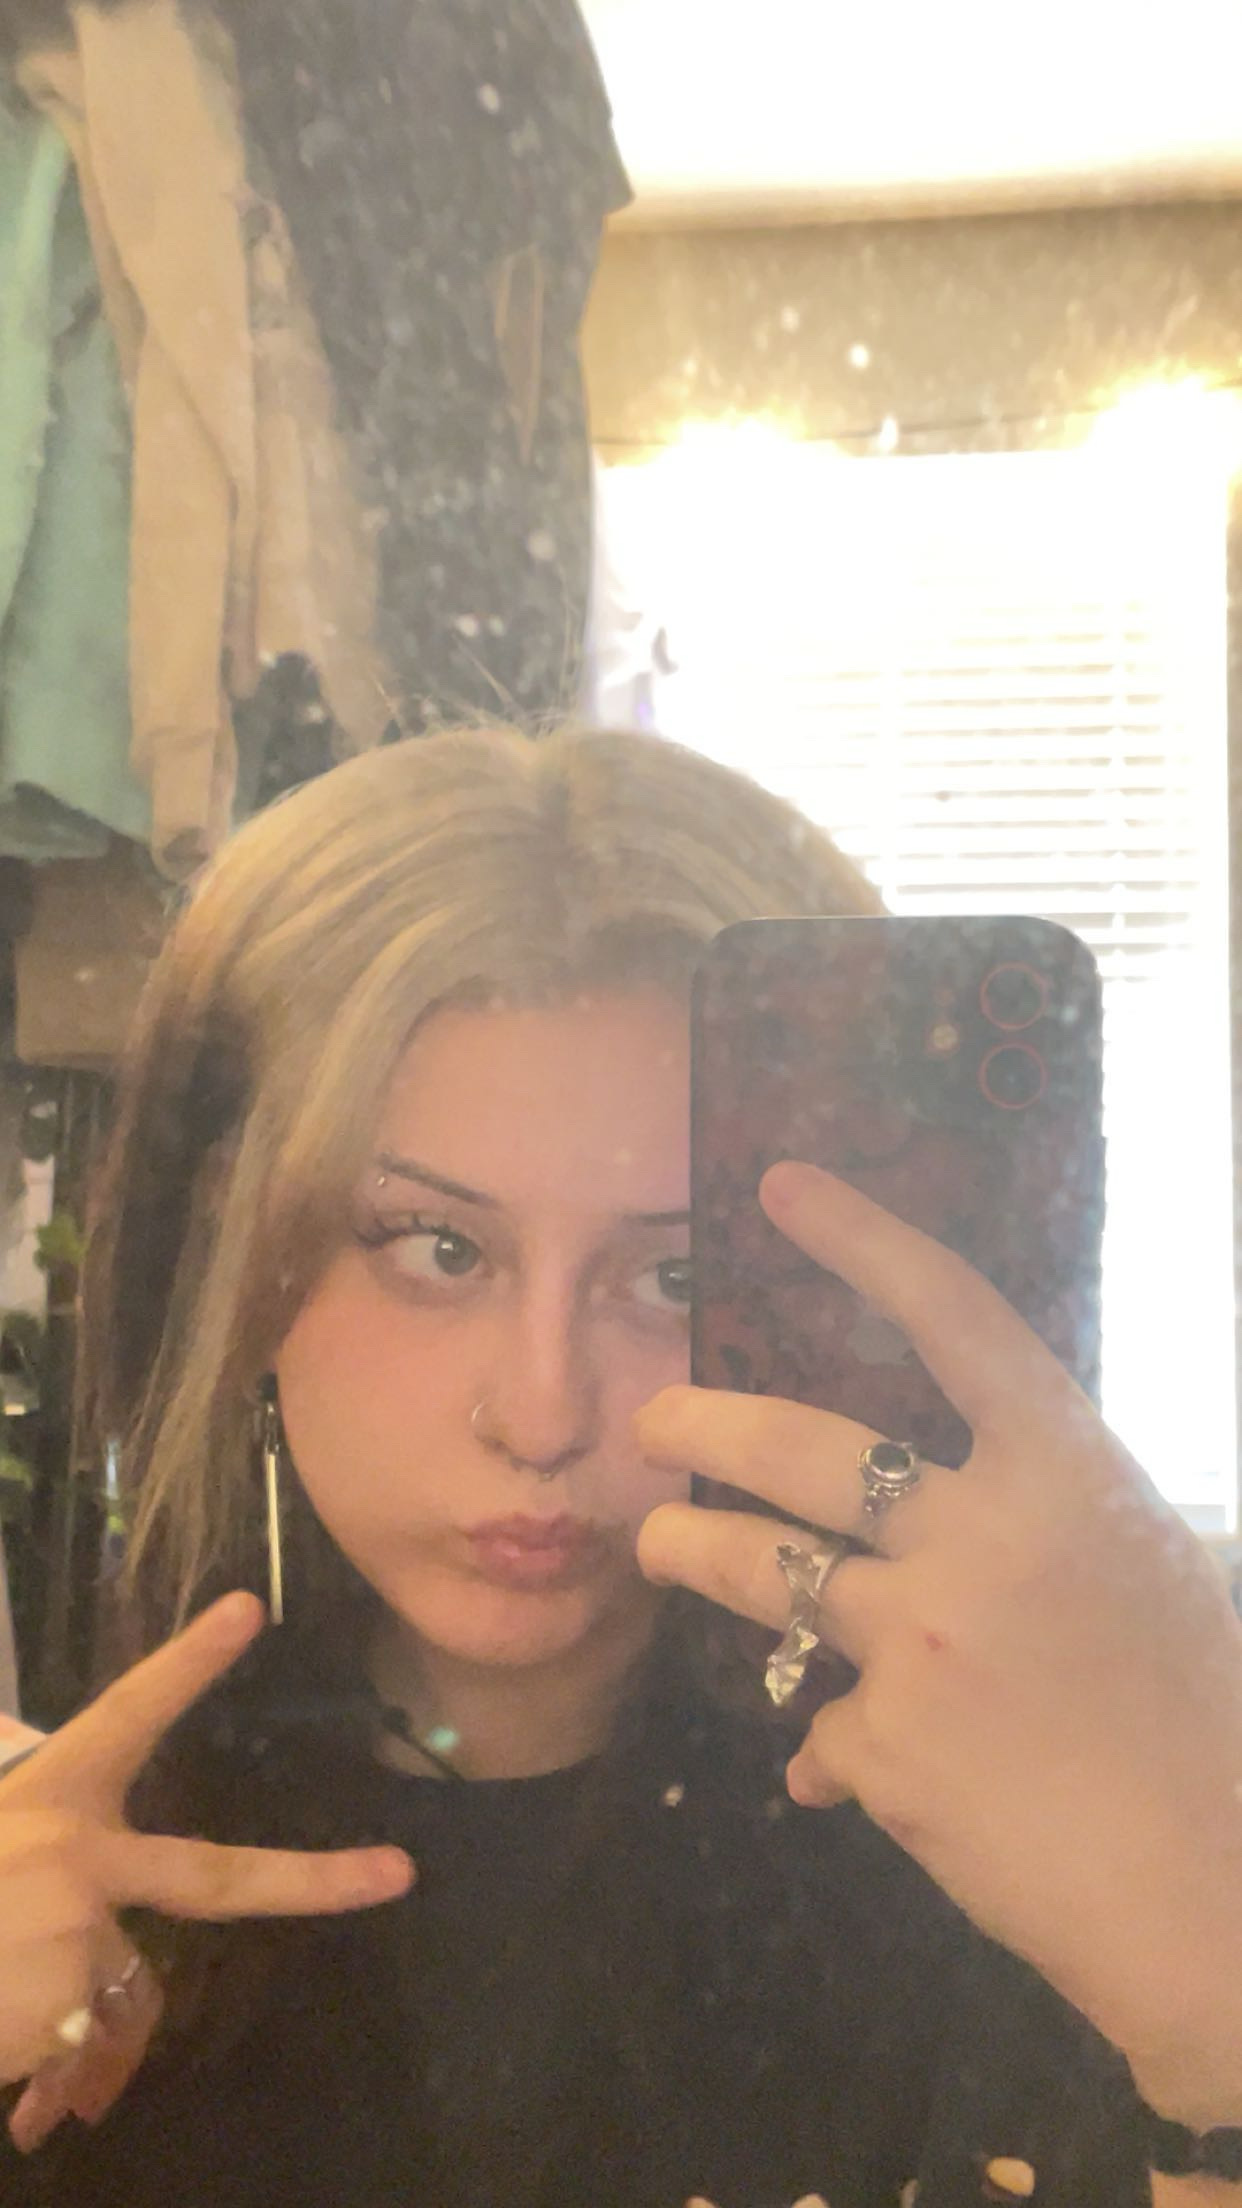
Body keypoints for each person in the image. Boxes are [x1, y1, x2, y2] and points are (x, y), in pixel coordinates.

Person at [0, 724, 1240, 2208]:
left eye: (676, 1278)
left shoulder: (1042, 1828)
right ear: (236, 1275)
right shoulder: (53, 1858)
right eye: (437, 1250)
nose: (541, 1416)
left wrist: (1215, 2009)